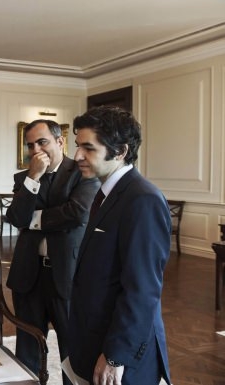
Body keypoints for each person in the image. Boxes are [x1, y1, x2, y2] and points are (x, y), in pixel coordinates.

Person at [68, 106, 171, 385]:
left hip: (122, 354)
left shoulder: (143, 200)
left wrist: (116, 356)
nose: (77, 156)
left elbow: (142, 290)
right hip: (94, 335)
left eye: (88, 148)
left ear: (121, 151)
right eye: (78, 146)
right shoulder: (106, 193)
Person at [5, 119, 100, 383]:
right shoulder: (24, 178)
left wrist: (33, 219)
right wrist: (34, 177)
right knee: (28, 347)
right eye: (30, 145)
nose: (36, 150)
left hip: (67, 274)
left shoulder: (82, 172)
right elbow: (16, 218)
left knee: (72, 348)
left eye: (42, 142)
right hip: (29, 274)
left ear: (60, 141)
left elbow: (77, 212)